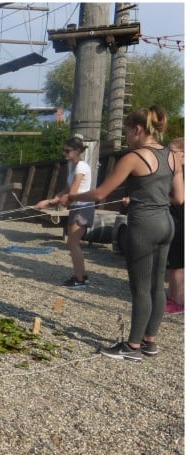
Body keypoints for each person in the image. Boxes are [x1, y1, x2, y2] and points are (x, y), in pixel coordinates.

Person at [70, 105, 184, 361]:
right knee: (157, 285)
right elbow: (179, 197)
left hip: (144, 225)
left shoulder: (134, 157)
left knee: (140, 287)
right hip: (167, 223)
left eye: (127, 132)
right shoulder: (173, 157)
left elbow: (100, 193)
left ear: (138, 129)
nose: (126, 137)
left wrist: (71, 196)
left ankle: (132, 347)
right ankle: (149, 341)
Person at [34, 136, 95, 288]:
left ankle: (80, 279)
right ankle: (81, 276)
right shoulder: (71, 166)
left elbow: (72, 193)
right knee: (73, 243)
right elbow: (67, 190)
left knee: (73, 243)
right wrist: (49, 201)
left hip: (82, 207)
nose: (64, 153)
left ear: (76, 151)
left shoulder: (81, 166)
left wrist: (60, 200)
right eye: (64, 150)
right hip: (77, 206)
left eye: (67, 151)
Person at [165, 138, 184, 314]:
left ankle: (178, 301)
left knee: (177, 265)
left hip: (179, 222)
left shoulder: (181, 172)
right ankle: (172, 297)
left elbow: (179, 199)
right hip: (175, 221)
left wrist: (162, 197)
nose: (167, 155)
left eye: (171, 152)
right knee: (172, 265)